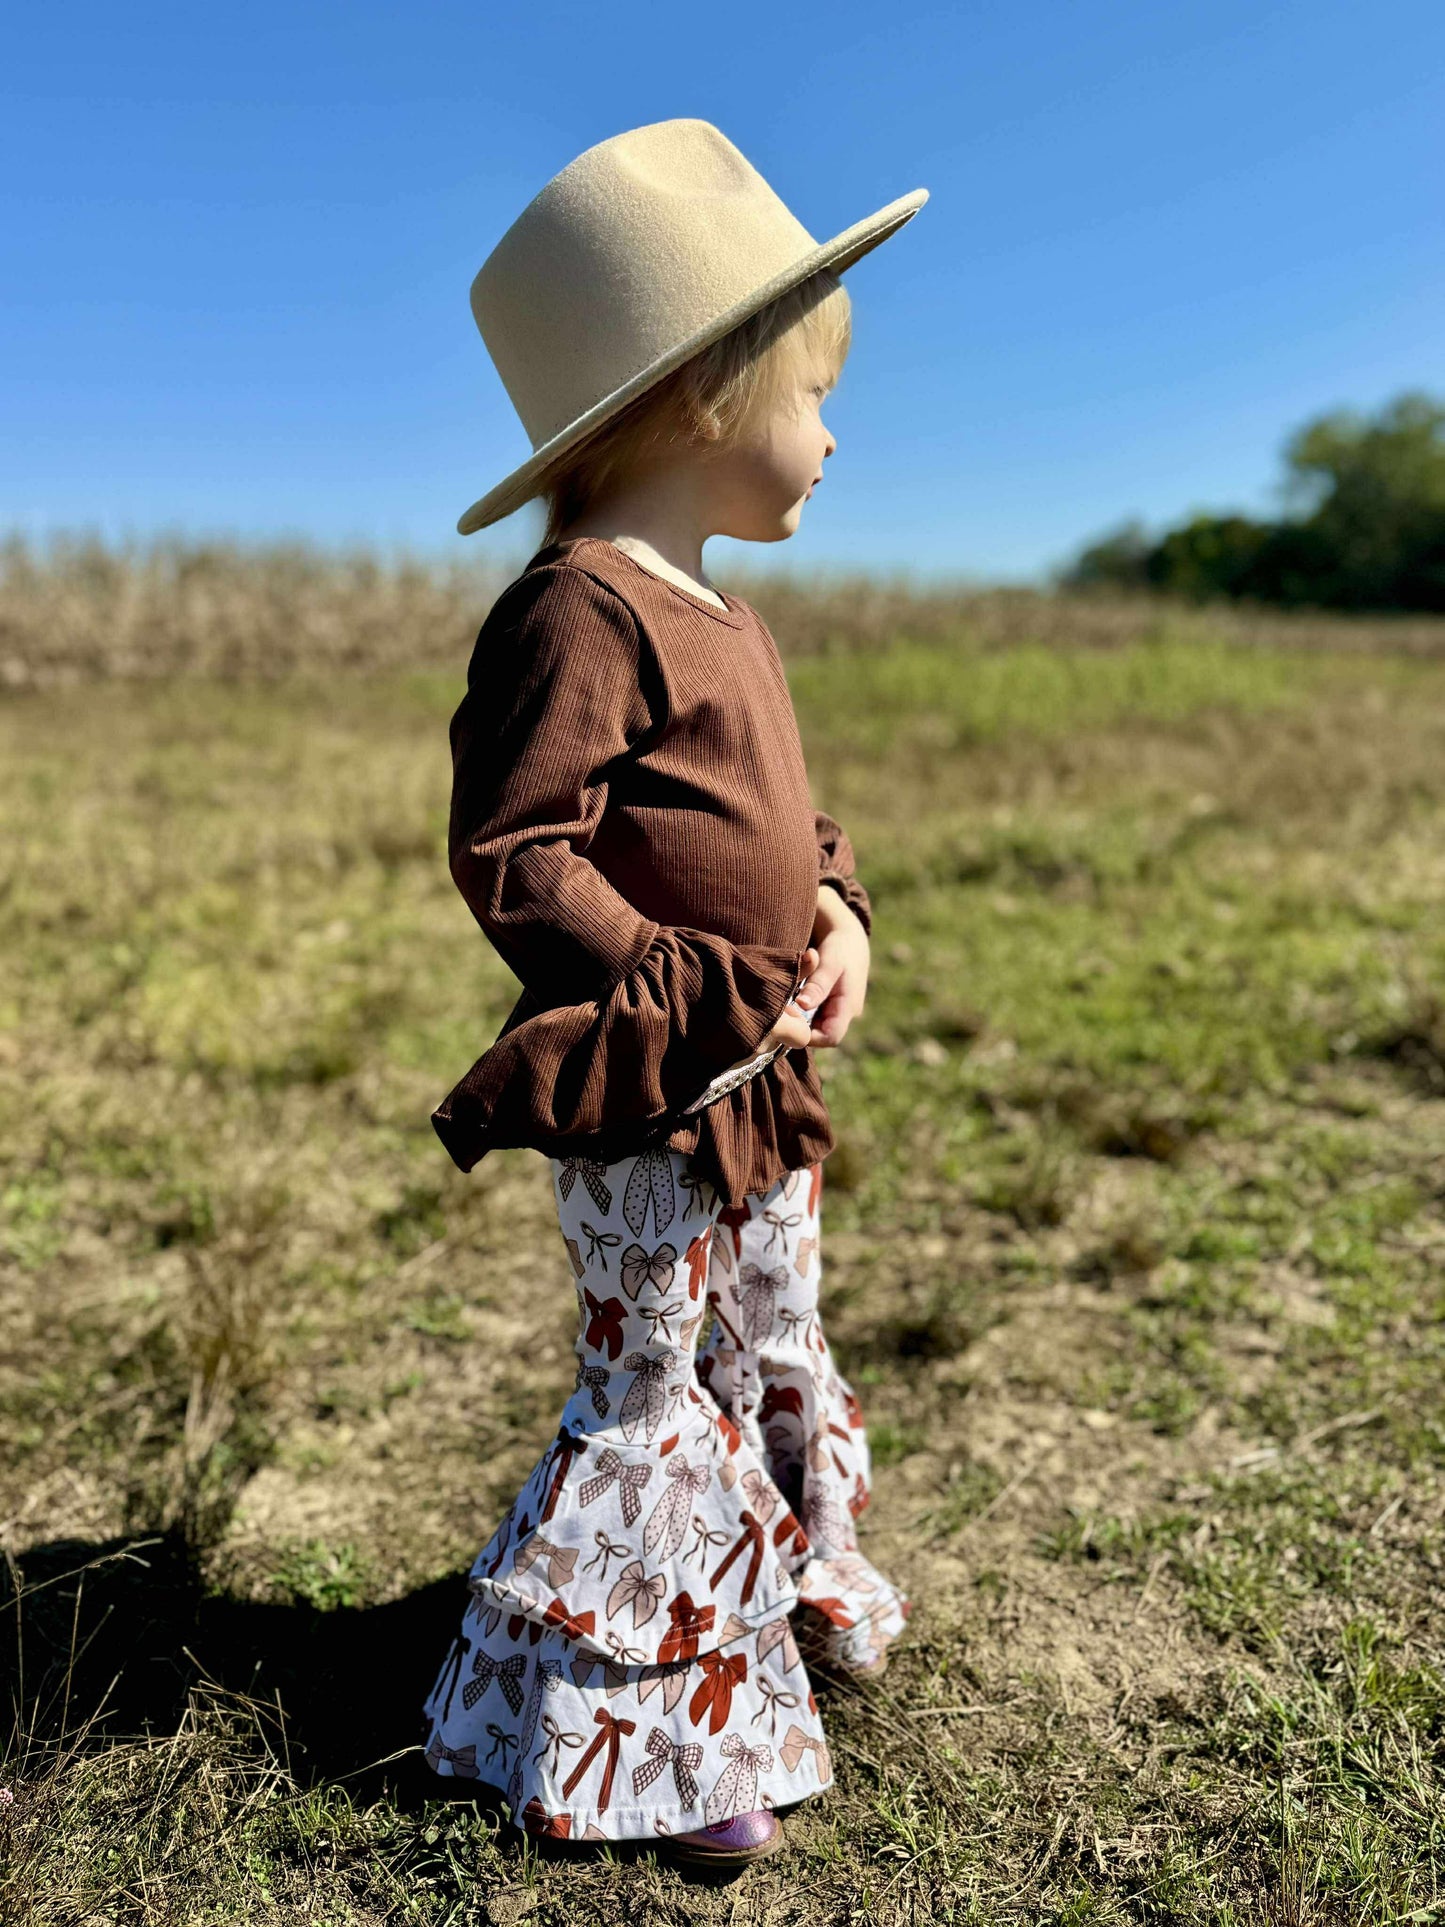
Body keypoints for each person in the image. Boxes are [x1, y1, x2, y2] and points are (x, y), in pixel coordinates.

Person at [420, 118, 928, 1871]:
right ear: (710, 393)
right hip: (650, 1096)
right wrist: (674, 985)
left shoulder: (715, 610)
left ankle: (773, 1604)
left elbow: (783, 819)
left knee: (765, 1341)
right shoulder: (577, 611)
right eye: (814, 392)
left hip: (760, 1092)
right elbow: (515, 846)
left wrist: (839, 906)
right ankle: (641, 1736)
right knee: (653, 1386)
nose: (833, 433)